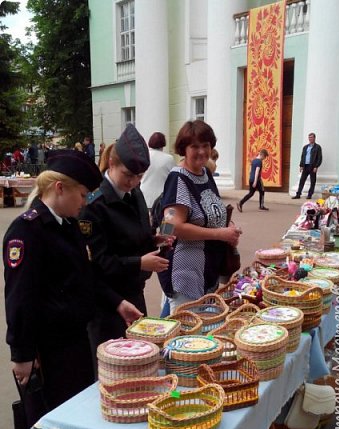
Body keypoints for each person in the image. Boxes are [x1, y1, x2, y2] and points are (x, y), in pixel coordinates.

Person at [3, 149, 103, 429]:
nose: (84, 202)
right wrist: (22, 355)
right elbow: (20, 298)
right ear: (60, 188)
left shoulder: (67, 225)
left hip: (73, 346)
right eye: (82, 194)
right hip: (47, 353)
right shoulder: (27, 231)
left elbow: (83, 278)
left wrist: (115, 302)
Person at [79, 124, 172, 366]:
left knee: (141, 364)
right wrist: (140, 262)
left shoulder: (135, 193)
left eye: (139, 177)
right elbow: (99, 263)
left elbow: (134, 235)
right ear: (111, 163)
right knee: (112, 373)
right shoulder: (93, 205)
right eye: (128, 175)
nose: (133, 182)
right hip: (107, 305)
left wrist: (152, 240)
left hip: (134, 293)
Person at [158, 120, 241, 313]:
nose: (202, 151)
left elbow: (211, 210)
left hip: (207, 270)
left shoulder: (205, 173)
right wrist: (220, 234)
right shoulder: (178, 179)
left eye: (206, 145)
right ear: (183, 149)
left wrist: (228, 227)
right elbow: (170, 227)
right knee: (188, 333)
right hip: (186, 274)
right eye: (194, 146)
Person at [140, 132, 176, 209]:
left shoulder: (144, 156)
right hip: (161, 198)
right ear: (163, 143)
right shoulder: (169, 159)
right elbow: (174, 179)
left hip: (144, 196)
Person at [292, 132, 322, 199]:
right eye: (309, 137)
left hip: (312, 166)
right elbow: (302, 156)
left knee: (312, 181)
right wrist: (301, 165)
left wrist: (316, 166)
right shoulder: (305, 147)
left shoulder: (317, 147)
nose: (310, 139)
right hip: (305, 166)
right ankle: (298, 194)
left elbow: (319, 157)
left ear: (314, 138)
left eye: (311, 137)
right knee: (302, 180)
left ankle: (309, 195)